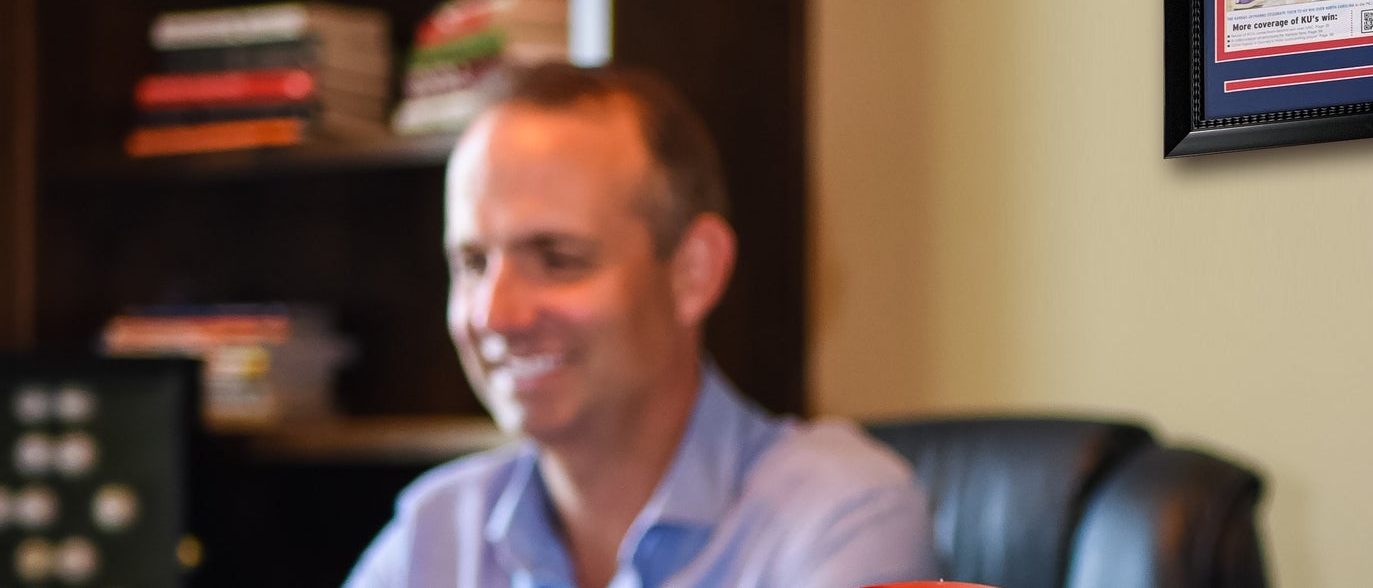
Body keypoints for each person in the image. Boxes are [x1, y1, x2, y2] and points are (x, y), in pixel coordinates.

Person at [344, 64, 936, 588]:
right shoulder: (437, 531)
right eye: (473, 263)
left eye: (557, 259)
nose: (494, 316)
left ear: (694, 273)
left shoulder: (839, 515)